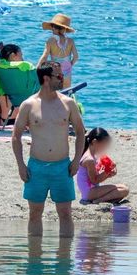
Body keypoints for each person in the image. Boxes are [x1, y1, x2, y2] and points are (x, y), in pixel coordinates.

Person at [11, 62, 87, 238]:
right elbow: (16, 136)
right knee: (35, 213)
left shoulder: (68, 103)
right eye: (58, 76)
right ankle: (34, 260)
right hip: (36, 167)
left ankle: (64, 261)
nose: (62, 79)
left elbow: (80, 132)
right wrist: (21, 165)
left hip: (62, 167)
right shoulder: (29, 105)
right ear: (46, 79)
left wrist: (76, 160)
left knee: (65, 213)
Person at [76, 127, 130, 204]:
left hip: (92, 190)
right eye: (103, 145)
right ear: (94, 142)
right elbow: (94, 180)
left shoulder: (94, 155)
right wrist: (107, 173)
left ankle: (101, 200)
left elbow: (96, 174)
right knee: (124, 190)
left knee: (122, 189)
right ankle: (98, 200)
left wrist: (108, 171)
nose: (105, 148)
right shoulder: (89, 159)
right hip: (89, 192)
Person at [0, 42, 26, 123]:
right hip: (24, 122)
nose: (23, 59)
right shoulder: (25, 74)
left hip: (5, 122)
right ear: (13, 56)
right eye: (21, 55)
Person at [38, 13, 78, 86]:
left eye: (52, 26)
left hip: (56, 71)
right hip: (67, 70)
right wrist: (70, 65)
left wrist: (37, 68)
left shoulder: (50, 41)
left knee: (56, 92)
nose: (52, 28)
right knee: (67, 90)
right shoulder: (70, 41)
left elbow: (44, 57)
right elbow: (76, 57)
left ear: (54, 28)